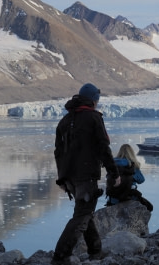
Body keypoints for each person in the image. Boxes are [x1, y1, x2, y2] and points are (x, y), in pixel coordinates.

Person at [52, 83, 121, 264]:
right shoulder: (93, 118)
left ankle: (95, 251)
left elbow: (58, 152)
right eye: (97, 99)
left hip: (70, 178)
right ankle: (60, 256)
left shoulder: (64, 121)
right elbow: (103, 147)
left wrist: (62, 179)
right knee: (82, 215)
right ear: (93, 100)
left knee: (85, 210)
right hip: (86, 175)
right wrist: (113, 173)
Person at [105, 144, 153, 212]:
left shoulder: (113, 165)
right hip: (129, 198)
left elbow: (108, 178)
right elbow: (141, 180)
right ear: (132, 153)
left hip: (113, 199)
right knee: (149, 207)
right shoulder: (133, 165)